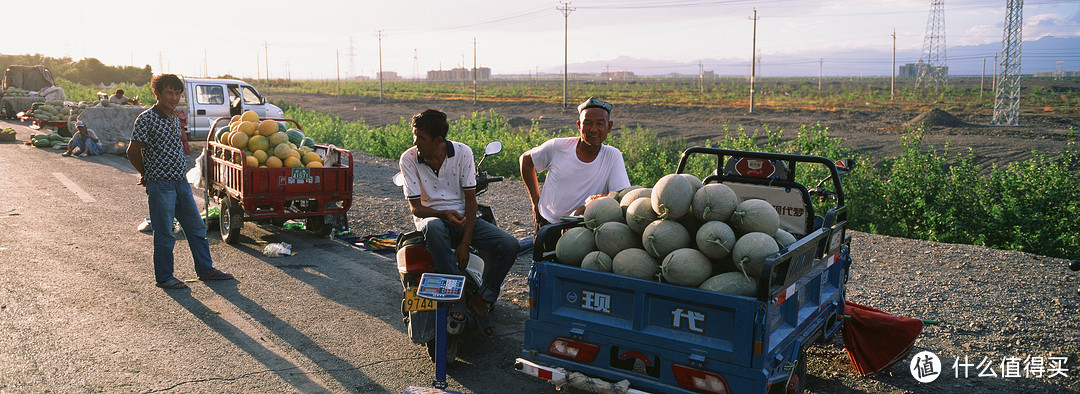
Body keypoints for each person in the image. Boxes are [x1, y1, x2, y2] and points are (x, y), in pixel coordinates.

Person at [398, 109, 517, 336]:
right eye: (414, 135)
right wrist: (444, 214)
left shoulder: (463, 153)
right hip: (430, 218)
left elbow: (471, 202)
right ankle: (457, 295)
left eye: (420, 137)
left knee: (510, 245)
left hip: (461, 218)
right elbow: (416, 208)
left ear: (438, 140)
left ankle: (482, 299)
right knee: (433, 227)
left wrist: (465, 244)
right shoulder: (409, 158)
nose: (415, 142)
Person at [127, 74, 233, 289]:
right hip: (161, 185)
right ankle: (165, 277)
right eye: (169, 92)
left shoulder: (175, 116)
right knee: (164, 233)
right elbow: (133, 151)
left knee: (196, 228)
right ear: (157, 93)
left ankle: (206, 269)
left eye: (177, 93)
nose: (174, 97)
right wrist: (146, 174)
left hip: (180, 182)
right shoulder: (146, 118)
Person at [520, 97, 631, 233]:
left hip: (582, 231)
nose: (594, 129)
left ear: (609, 127)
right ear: (579, 126)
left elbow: (618, 195)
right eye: (588, 123)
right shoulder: (557, 147)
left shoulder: (612, 156)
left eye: (600, 123)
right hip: (547, 224)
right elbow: (525, 160)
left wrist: (584, 208)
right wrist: (535, 202)